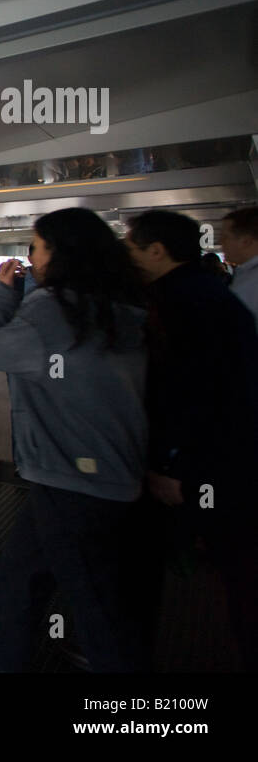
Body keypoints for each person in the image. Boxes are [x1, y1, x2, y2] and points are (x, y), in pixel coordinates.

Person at [0, 208, 149, 673]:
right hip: (105, 467)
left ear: (58, 252)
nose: (30, 257)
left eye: (35, 247)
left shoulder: (52, 309)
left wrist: (2, 291)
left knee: (97, 606)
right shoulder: (123, 306)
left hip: (70, 472)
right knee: (23, 568)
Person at [124, 210, 258, 669]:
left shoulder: (179, 303)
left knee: (233, 567)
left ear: (156, 251)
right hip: (225, 456)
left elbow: (189, 391)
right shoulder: (210, 292)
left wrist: (171, 465)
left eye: (133, 248)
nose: (128, 257)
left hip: (208, 461)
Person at [220, 206, 258, 319]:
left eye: (225, 237)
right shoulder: (246, 274)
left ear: (246, 241)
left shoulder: (253, 281)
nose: (220, 241)